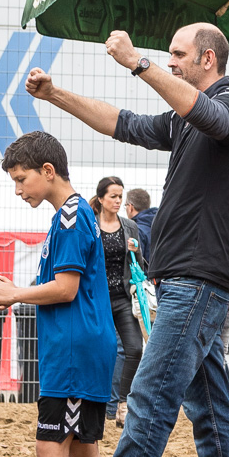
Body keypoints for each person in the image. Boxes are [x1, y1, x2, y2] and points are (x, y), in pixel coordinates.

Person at [25, 22, 229, 457]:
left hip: (198, 279)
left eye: (176, 56)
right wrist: (55, 94)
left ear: (206, 58)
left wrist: (138, 63)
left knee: (150, 397)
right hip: (189, 279)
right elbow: (121, 122)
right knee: (210, 404)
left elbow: (207, 114)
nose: (168, 61)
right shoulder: (187, 119)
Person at [0, 132, 124, 457]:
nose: (18, 189)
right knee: (83, 451)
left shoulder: (71, 217)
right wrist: (10, 293)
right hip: (82, 346)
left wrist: (15, 294)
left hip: (74, 351)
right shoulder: (74, 214)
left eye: (21, 179)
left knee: (51, 449)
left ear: (48, 171)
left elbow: (65, 288)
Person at [90, 175, 146, 426]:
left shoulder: (129, 226)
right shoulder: (90, 225)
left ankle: (123, 403)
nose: (118, 201)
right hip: (96, 299)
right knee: (101, 352)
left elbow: (141, 266)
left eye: (120, 197)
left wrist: (135, 251)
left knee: (134, 348)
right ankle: (98, 405)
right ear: (101, 198)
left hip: (122, 298)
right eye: (113, 196)